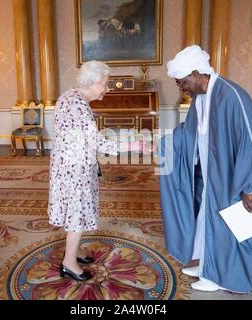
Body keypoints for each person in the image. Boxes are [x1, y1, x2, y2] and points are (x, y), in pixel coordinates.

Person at [159, 45, 252, 293]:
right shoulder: (200, 98)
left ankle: (218, 275)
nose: (182, 89)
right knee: (205, 217)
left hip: (234, 175)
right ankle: (205, 262)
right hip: (210, 173)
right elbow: (188, 133)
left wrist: (250, 186)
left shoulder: (231, 95)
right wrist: (162, 142)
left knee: (226, 222)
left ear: (195, 73)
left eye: (182, 83)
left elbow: (249, 142)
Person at [48, 60, 147, 281]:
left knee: (77, 210)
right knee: (77, 211)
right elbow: (98, 143)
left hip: (69, 165)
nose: (108, 89)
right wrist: (135, 145)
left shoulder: (70, 97)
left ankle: (75, 251)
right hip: (74, 169)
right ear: (92, 83)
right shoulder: (77, 105)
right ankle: (69, 264)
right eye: (105, 83)